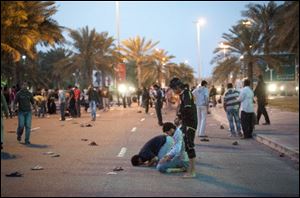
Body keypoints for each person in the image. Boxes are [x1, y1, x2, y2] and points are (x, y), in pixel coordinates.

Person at [169, 77, 197, 178]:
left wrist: (180, 117)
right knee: (184, 144)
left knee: (189, 146)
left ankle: (192, 172)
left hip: (190, 124)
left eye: (173, 89)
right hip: (186, 123)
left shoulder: (186, 94)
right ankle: (187, 167)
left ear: (177, 87)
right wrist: (179, 118)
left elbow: (187, 109)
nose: (173, 91)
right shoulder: (183, 95)